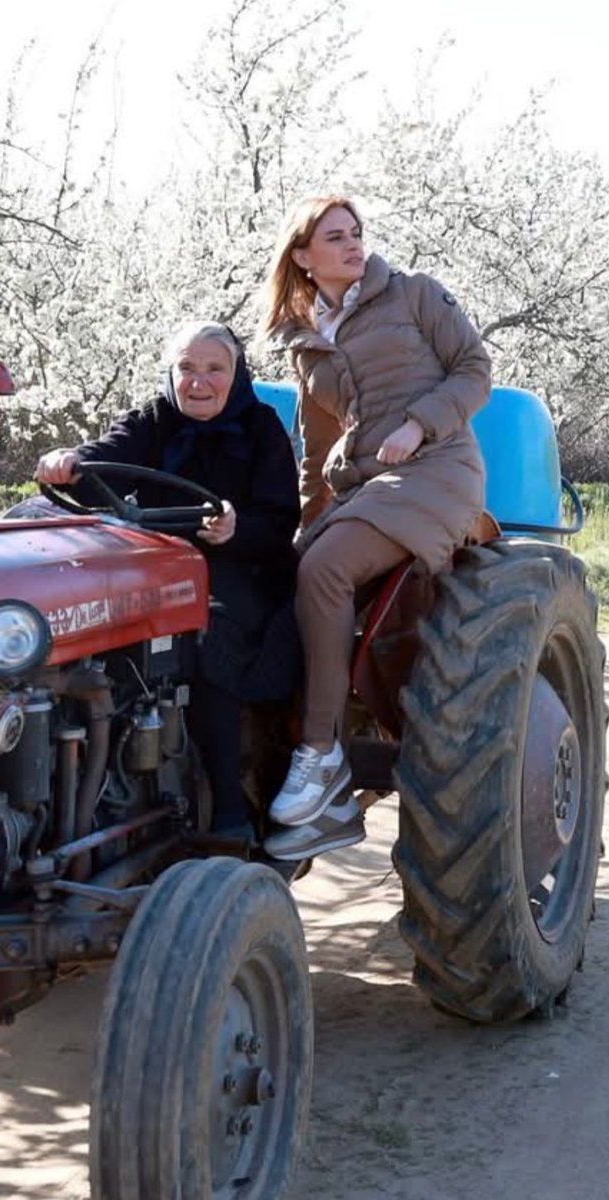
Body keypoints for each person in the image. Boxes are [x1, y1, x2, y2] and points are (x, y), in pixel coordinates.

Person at [257, 195, 491, 861]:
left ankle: (322, 756)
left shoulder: (413, 294)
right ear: (303, 256)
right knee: (290, 575)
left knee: (326, 569)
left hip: (438, 467)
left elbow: (475, 370)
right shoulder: (305, 342)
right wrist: (303, 524)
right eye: (336, 236)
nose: (354, 244)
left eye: (356, 232)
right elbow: (316, 448)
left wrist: (419, 424)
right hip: (366, 485)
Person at [35, 320, 301, 839]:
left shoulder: (261, 427)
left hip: (242, 566)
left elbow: (279, 519)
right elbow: (107, 454)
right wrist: (73, 462)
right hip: (158, 564)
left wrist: (237, 528)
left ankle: (229, 810)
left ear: (236, 374)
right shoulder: (152, 419)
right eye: (186, 368)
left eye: (214, 369)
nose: (198, 382)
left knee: (209, 636)